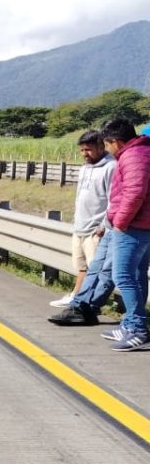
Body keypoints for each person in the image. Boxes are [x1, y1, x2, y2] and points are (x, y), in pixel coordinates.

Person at [49, 131, 115, 308]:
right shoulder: (85, 167)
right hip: (80, 226)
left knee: (95, 270)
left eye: (88, 149)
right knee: (81, 267)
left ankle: (87, 305)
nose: (85, 153)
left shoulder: (111, 167)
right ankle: (76, 298)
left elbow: (113, 199)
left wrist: (103, 226)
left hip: (96, 229)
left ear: (100, 147)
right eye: (82, 150)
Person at [100, 118, 150, 351]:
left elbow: (134, 193)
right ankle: (130, 324)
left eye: (107, 144)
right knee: (137, 275)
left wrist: (119, 222)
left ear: (116, 141)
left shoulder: (133, 156)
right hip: (141, 225)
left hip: (133, 226)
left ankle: (138, 329)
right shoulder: (141, 152)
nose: (107, 149)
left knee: (123, 276)